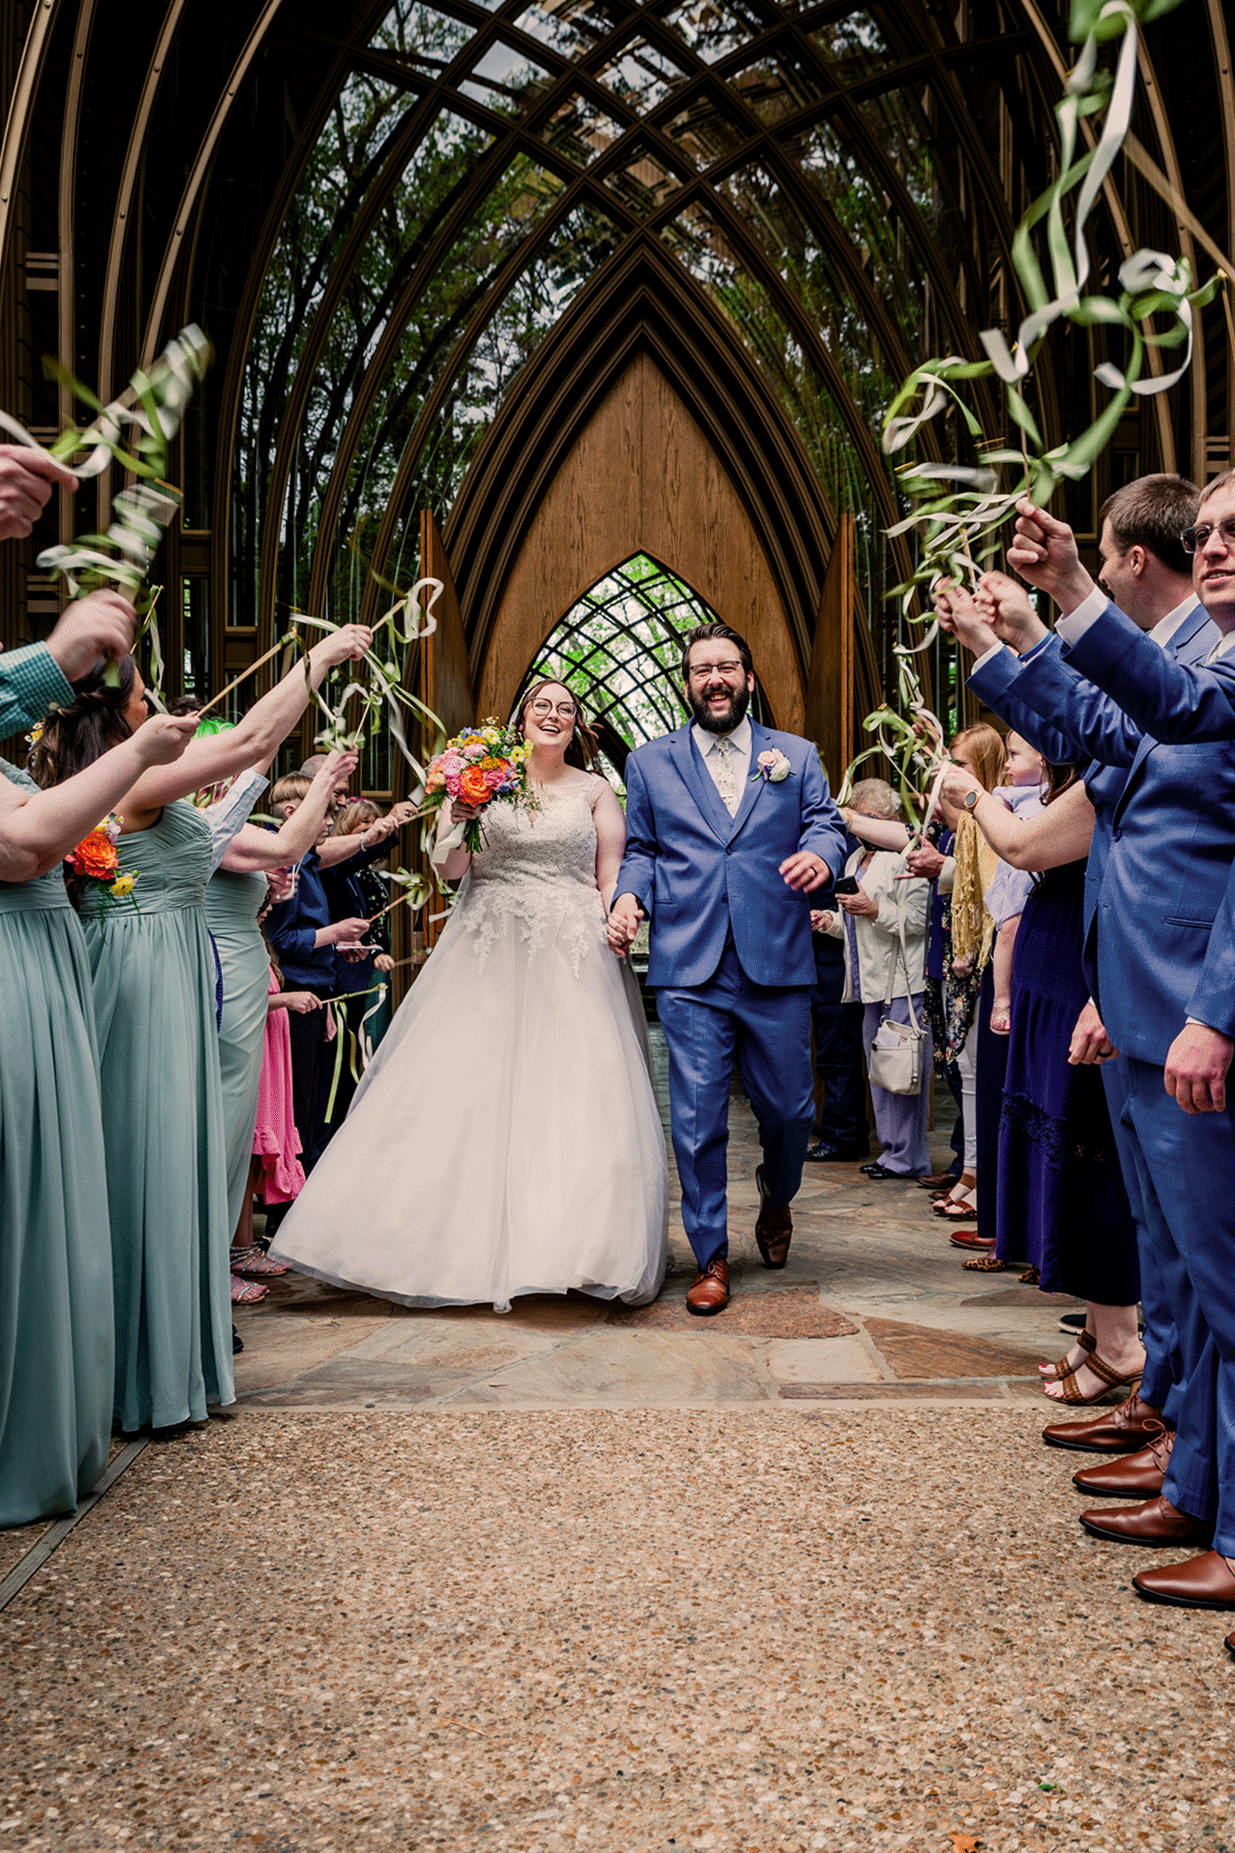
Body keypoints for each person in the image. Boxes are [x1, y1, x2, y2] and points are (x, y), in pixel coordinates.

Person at [940, 481, 1235, 1618]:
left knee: (1219, 1280)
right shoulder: (1204, 669)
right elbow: (1118, 733)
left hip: (1196, 1011)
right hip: (1147, 1003)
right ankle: (1198, 1482)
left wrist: (1058, 590)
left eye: (1227, 532)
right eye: (1203, 529)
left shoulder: (1209, 667)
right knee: (1185, 1275)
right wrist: (1001, 643)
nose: (1210, 546)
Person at [28, 624, 373, 1433]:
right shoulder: (131, 784)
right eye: (146, 697)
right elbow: (252, 739)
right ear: (118, 721)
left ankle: (168, 1362)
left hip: (175, 969)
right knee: (144, 1161)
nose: (160, 709)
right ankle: (133, 1377)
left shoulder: (146, 786)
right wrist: (316, 662)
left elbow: (246, 773)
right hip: (139, 973)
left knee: (178, 1166)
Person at [269, 681, 668, 1311]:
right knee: (465, 1081)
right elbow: (449, 870)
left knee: (570, 1087)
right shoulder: (487, 781)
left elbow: (609, 872)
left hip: (569, 946)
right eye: (542, 705)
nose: (554, 715)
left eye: (566, 709)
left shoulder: (595, 792)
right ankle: (435, 1245)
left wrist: (621, 909)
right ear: (520, 719)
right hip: (487, 940)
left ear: (575, 726)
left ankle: (571, 1246)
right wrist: (454, 817)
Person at [1, 589, 198, 1525]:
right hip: (26, 975)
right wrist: (135, 752)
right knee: (31, 1199)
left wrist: (59, 654)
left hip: (47, 973)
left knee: (53, 1199)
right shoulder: (111, 765)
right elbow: (22, 840)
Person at [607, 621, 846, 1315]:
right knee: (697, 1116)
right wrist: (628, 895)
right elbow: (643, 848)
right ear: (686, 683)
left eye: (726, 666)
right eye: (700, 668)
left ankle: (777, 1194)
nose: (714, 678)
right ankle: (709, 1254)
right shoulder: (649, 763)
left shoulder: (793, 756)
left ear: (747, 677)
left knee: (790, 1111)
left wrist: (822, 857)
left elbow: (826, 824)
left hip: (774, 956)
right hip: (689, 964)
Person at [934, 744, 1143, 1400]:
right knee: (1071, 1158)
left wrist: (971, 795)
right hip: (1050, 981)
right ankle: (1099, 1329)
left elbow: (1022, 847)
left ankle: (1119, 1341)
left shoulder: (1105, 776)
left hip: (1075, 985)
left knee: (1090, 1163)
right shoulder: (1069, 783)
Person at [815, 779, 931, 1177]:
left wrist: (871, 908)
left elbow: (918, 922)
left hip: (902, 980)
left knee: (904, 1073)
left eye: (864, 820)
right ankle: (890, 1152)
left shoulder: (907, 857)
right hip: (866, 983)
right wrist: (830, 920)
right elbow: (852, 927)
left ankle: (909, 1157)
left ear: (882, 819)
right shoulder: (854, 862)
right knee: (880, 1072)